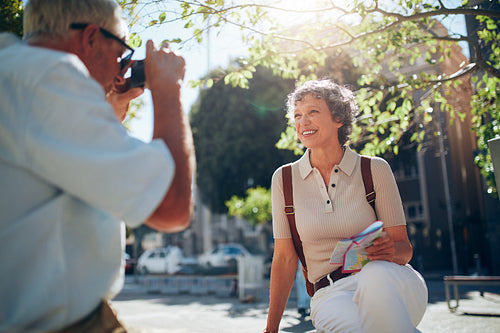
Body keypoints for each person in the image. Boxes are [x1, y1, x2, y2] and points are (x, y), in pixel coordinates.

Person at [0, 0, 195, 331]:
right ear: (91, 38)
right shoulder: (49, 75)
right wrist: (167, 90)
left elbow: (70, 160)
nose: (121, 71)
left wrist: (113, 105)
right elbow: (172, 207)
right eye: (121, 54)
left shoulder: (16, 73)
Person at [264, 79, 427, 333]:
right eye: (297, 115)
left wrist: (388, 252)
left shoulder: (374, 169)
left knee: (375, 274)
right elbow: (285, 258)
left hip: (391, 282)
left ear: (338, 118)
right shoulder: (284, 180)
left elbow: (404, 249)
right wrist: (271, 329)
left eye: (313, 112)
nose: (303, 122)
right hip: (330, 295)